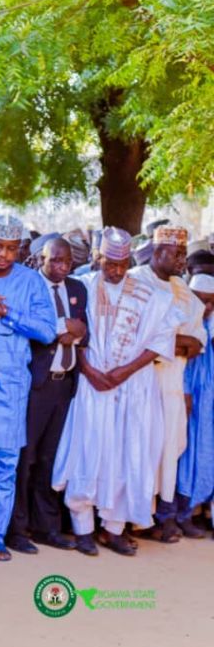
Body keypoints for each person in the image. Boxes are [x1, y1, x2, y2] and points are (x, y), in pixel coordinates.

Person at [53, 227, 175, 556]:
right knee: (88, 452)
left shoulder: (152, 295)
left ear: (130, 260)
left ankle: (114, 529)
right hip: (92, 387)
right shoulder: (84, 287)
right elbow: (69, 332)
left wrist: (122, 372)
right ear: (98, 258)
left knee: (128, 455)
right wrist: (90, 371)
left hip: (133, 388)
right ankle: (83, 530)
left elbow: (161, 341)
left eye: (122, 264)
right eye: (110, 263)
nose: (116, 270)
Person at [0, 215, 56, 561]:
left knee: (3, 464)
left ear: (20, 249)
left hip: (10, 387)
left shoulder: (32, 282)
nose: (3, 255)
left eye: (10, 249)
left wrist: (5, 312)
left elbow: (47, 331)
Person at [7, 237, 86, 554]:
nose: (62, 267)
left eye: (67, 261)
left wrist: (70, 331)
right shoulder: (28, 285)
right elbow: (25, 326)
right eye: (55, 260)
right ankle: (17, 528)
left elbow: (85, 330)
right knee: (25, 458)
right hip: (34, 384)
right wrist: (59, 327)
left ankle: (46, 527)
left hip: (64, 384)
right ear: (41, 258)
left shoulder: (78, 289)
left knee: (50, 459)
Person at [131, 225, 207, 542]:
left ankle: (161, 517)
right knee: (140, 449)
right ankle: (135, 518)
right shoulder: (135, 282)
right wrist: (172, 342)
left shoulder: (185, 291)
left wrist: (169, 342)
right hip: (142, 381)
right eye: (177, 254)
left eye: (183, 254)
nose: (182, 261)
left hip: (173, 383)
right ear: (158, 251)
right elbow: (139, 338)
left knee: (169, 451)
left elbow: (196, 343)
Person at [175, 274, 214, 538]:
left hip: (208, 398)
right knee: (187, 454)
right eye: (202, 301)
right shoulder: (184, 318)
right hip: (189, 397)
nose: (206, 307)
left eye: (211, 303)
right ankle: (183, 514)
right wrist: (186, 393)